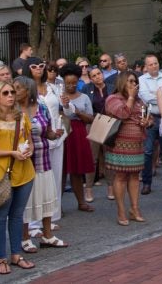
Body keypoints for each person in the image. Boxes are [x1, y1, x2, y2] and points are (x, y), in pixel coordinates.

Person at [0, 80, 36, 275]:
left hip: (24, 172)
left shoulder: (22, 117)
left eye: (12, 92)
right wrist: (11, 153)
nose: (10, 95)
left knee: (18, 216)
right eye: (5, 93)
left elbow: (29, 142)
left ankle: (16, 254)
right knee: (0, 216)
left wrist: (27, 151)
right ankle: (1, 258)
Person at [14, 77, 68, 253]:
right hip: (23, 162)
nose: (14, 92)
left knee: (46, 198)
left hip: (43, 159)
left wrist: (56, 134)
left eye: (18, 88)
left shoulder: (41, 107)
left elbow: (48, 133)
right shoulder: (12, 110)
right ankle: (24, 237)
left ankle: (47, 235)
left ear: (28, 91)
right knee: (25, 201)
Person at [104, 71, 150, 225]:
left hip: (137, 144)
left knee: (135, 176)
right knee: (121, 176)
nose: (133, 84)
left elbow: (149, 118)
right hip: (120, 144)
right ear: (122, 82)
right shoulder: (113, 99)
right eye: (130, 81)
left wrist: (147, 122)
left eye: (135, 81)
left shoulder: (139, 101)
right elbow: (122, 114)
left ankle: (135, 209)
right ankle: (121, 211)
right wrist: (130, 97)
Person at [58, 64, 96, 212]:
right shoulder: (58, 96)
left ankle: (81, 202)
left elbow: (90, 118)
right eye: (68, 83)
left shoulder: (84, 97)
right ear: (63, 82)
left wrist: (76, 111)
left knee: (76, 170)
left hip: (78, 132)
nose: (71, 85)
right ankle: (57, 206)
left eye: (74, 82)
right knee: (60, 170)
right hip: (63, 131)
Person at [83, 67, 113, 199]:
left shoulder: (112, 87)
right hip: (94, 123)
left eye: (99, 74)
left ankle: (111, 188)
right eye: (94, 75)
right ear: (90, 78)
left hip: (110, 123)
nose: (97, 77)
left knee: (109, 157)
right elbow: (84, 107)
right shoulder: (86, 89)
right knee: (92, 158)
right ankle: (89, 189)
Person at [139, 54, 162, 195]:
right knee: (147, 151)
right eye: (151, 64)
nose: (154, 66)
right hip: (150, 118)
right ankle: (146, 183)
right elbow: (144, 96)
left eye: (156, 63)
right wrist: (160, 96)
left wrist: (156, 96)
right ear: (146, 66)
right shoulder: (141, 80)